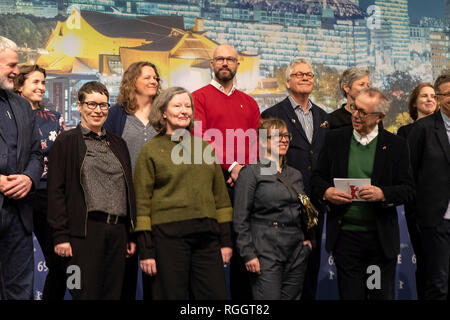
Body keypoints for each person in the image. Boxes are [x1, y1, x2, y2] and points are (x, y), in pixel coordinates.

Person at [311, 88, 414, 300]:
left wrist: (382, 193)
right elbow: (316, 178)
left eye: (363, 112)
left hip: (378, 242)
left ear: (380, 117)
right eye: (354, 109)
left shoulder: (396, 145)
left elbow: (408, 190)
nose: (356, 115)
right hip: (345, 239)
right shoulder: (335, 140)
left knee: (377, 294)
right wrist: (327, 191)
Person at [134, 87, 232, 300]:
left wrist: (225, 241)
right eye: (177, 105)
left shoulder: (205, 148)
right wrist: (147, 251)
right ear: (163, 112)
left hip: (207, 240)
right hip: (166, 241)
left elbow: (221, 200)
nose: (184, 111)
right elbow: (141, 203)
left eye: (188, 106)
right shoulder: (150, 150)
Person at [47, 81, 136, 300]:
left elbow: (128, 189)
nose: (98, 110)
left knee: (114, 294)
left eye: (103, 105)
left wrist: (130, 234)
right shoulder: (66, 141)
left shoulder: (118, 143)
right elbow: (56, 191)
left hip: (117, 232)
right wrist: (60, 236)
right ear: (79, 106)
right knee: (81, 292)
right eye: (91, 104)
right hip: (82, 234)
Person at [193, 44, 260, 300]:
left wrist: (245, 171)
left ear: (237, 64)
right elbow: (200, 138)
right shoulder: (198, 97)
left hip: (247, 185)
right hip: (213, 186)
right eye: (219, 58)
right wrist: (232, 167)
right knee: (214, 257)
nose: (225, 63)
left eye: (230, 59)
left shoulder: (250, 102)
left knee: (245, 256)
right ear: (211, 63)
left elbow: (257, 143)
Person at [261, 58, 328, 300]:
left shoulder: (323, 116)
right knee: (280, 278)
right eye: (299, 74)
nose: (305, 77)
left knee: (310, 271)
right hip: (282, 205)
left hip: (315, 206)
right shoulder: (271, 114)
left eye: (309, 74)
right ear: (287, 81)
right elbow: (265, 160)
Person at [233, 117, 312, 300]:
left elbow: (304, 211)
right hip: (265, 250)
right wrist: (248, 254)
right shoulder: (251, 172)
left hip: (296, 250)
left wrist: (307, 242)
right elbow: (240, 218)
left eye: (286, 135)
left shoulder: (295, 174)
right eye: (277, 135)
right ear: (262, 140)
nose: (284, 139)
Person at [104, 61, 160, 300]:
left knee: (156, 276)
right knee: (122, 276)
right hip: (123, 203)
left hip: (156, 204)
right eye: (147, 77)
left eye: (156, 77)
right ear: (132, 81)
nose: (153, 81)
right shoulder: (116, 115)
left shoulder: (164, 114)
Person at [13, 64, 66, 300]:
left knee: (61, 263)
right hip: (16, 196)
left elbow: (65, 158)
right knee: (16, 265)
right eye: (35, 82)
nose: (41, 87)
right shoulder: (8, 117)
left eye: (43, 82)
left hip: (48, 196)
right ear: (20, 85)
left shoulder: (54, 118)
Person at [0, 36, 43, 300]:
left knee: (20, 293)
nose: (17, 72)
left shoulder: (21, 106)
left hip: (19, 216)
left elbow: (36, 154)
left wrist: (28, 178)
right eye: (12, 65)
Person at [407, 73, 450, 300]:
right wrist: (418, 216)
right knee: (438, 284)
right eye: (446, 93)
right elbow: (410, 175)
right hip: (437, 220)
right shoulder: (423, 129)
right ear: (440, 97)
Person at [397, 82, 437, 300]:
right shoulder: (405, 133)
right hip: (419, 211)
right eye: (424, 96)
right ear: (414, 103)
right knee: (426, 264)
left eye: (433, 95)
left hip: (444, 208)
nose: (430, 99)